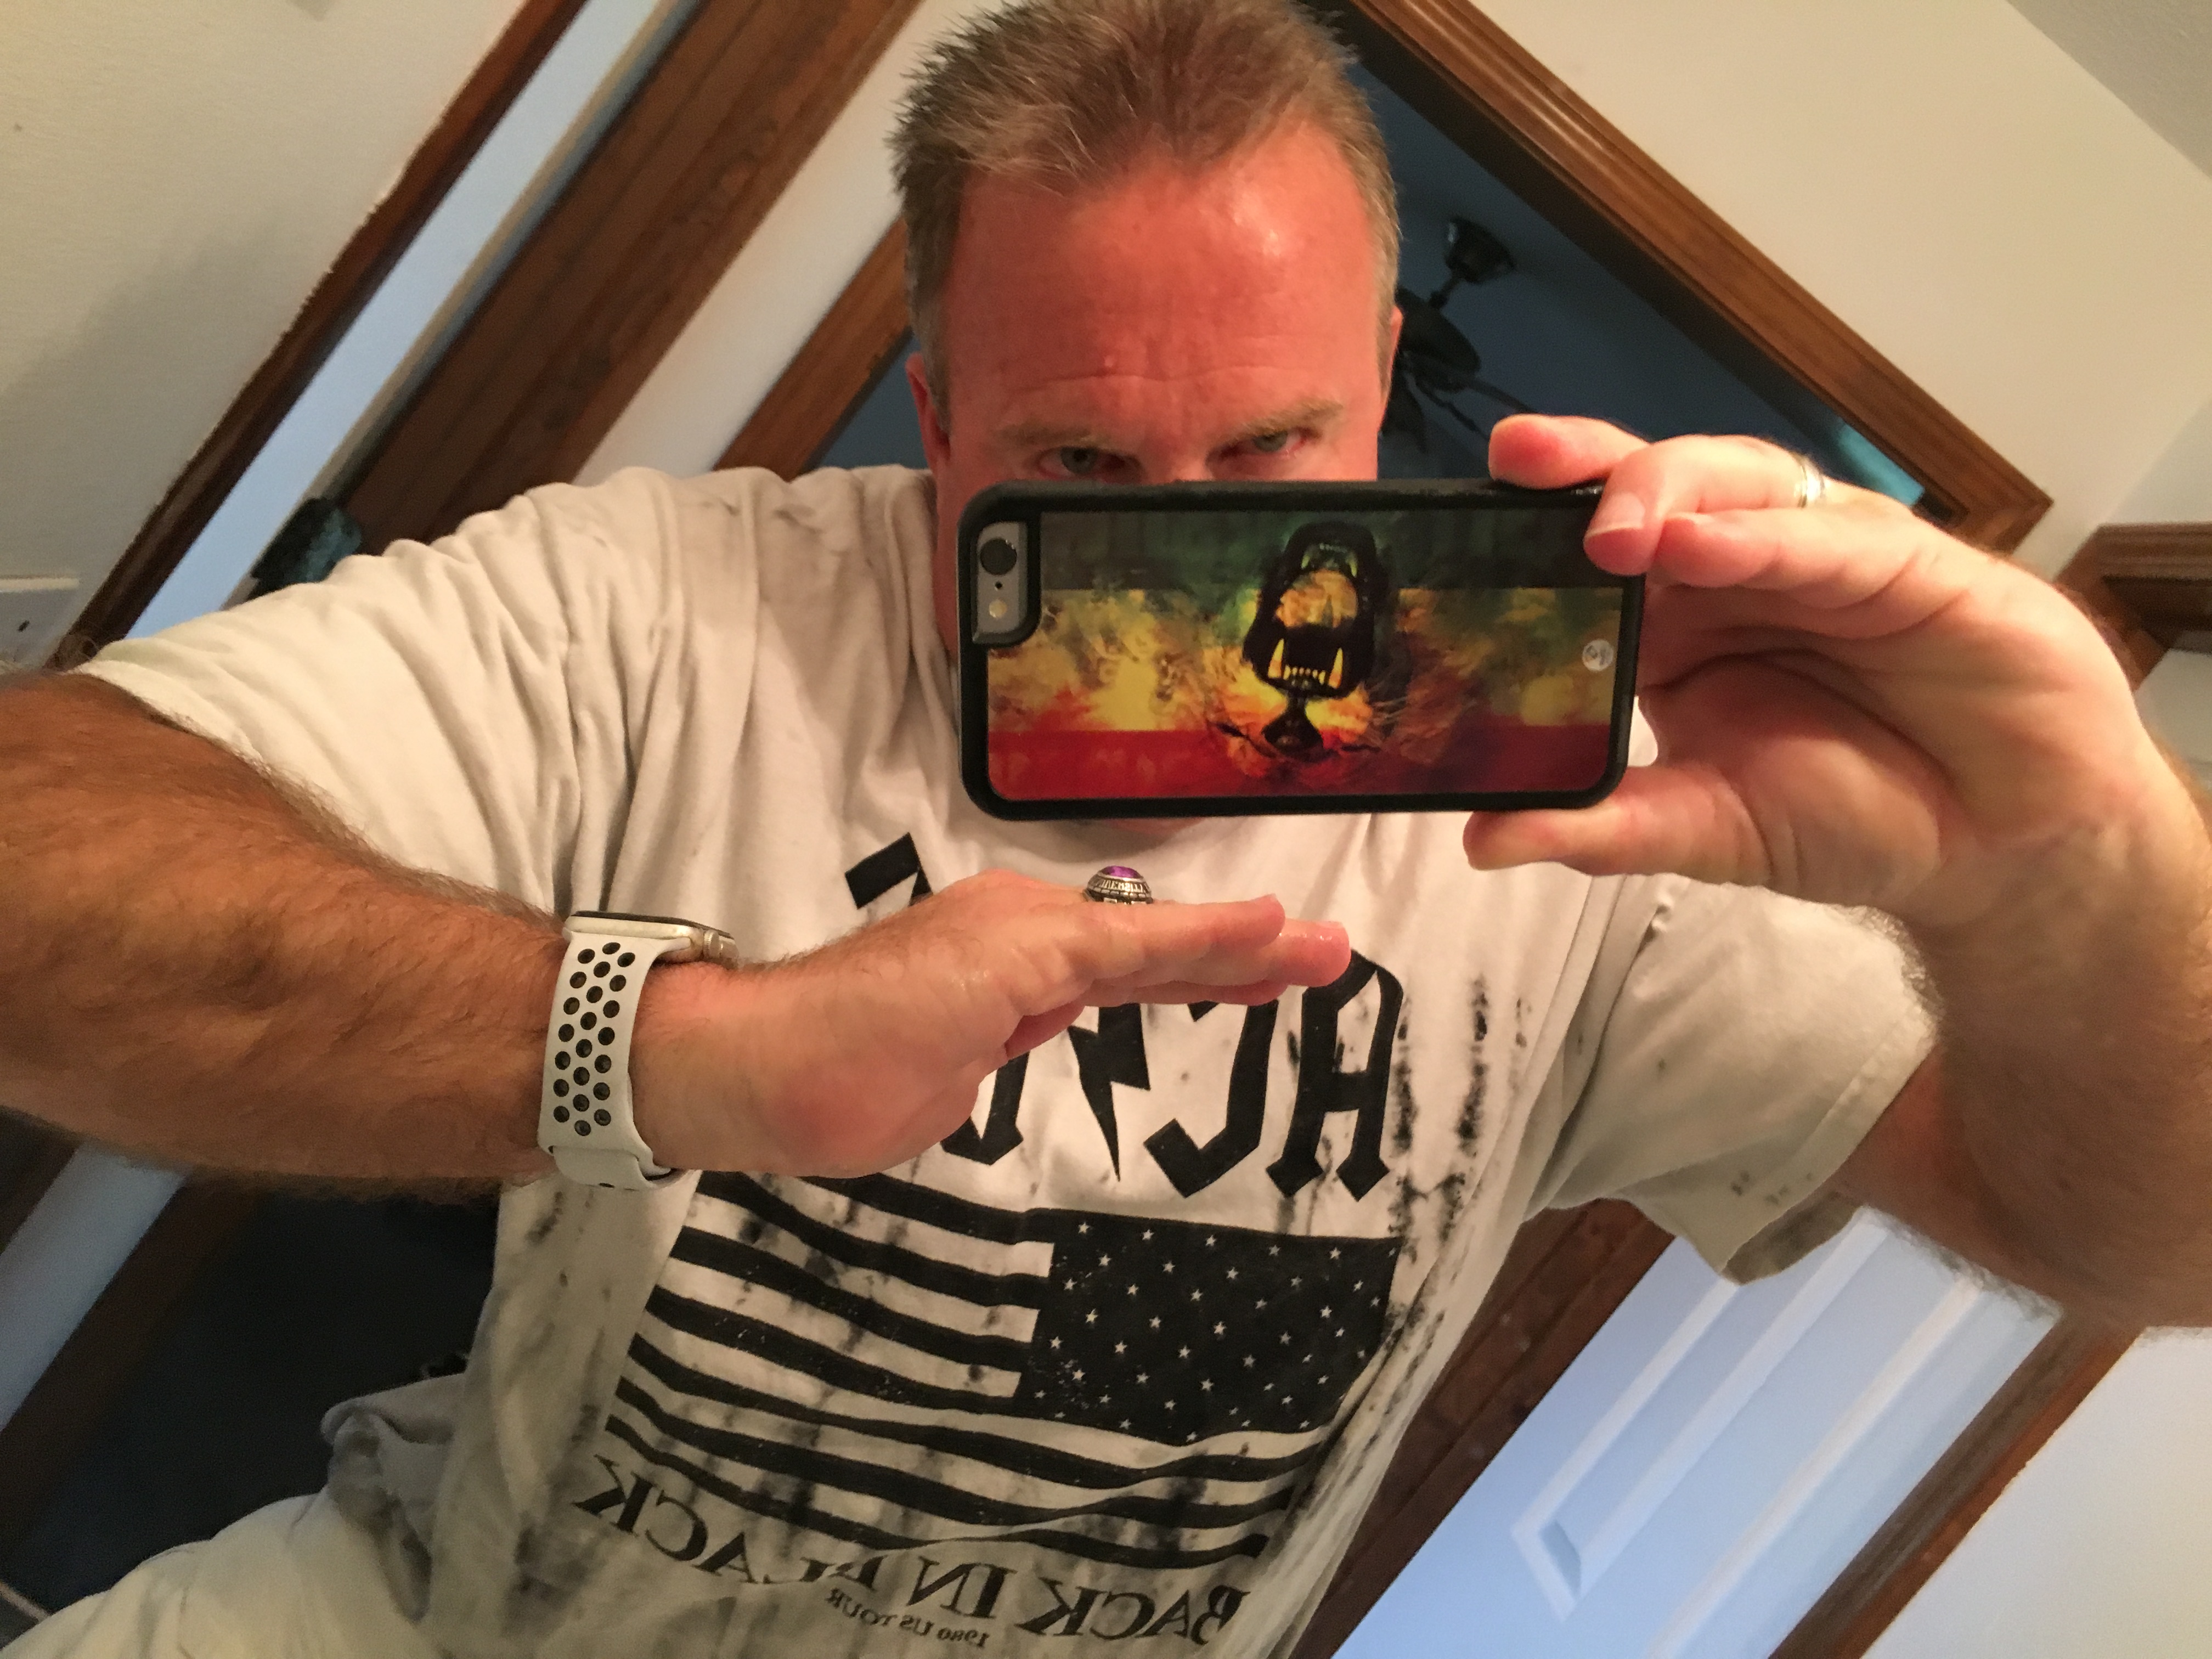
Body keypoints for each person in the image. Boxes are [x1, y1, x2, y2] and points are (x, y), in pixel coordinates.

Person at [3, 1, 2208, 1654]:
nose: (1193, 572)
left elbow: (2158, 1240)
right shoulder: (661, 609)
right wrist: (678, 1050)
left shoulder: (1592, 779)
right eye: (1078, 474)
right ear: (937, 413)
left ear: (1385, 390)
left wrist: (2067, 871)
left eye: (1273, 452)